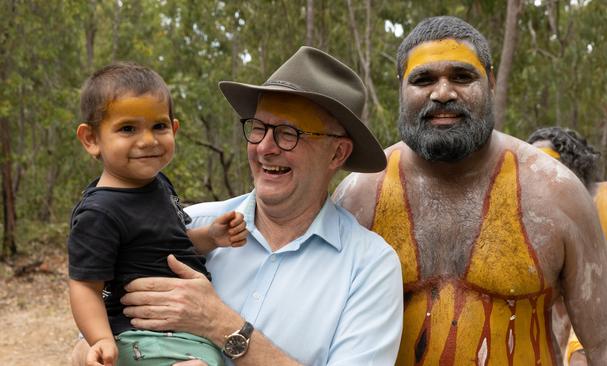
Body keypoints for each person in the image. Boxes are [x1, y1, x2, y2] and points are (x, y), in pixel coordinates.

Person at [333, 16, 607, 365]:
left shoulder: (556, 194)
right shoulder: (359, 196)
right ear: (401, 87)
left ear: (491, 83)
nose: (443, 93)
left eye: (462, 77)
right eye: (423, 79)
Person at [72, 47, 403, 366]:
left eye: (289, 133)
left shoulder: (369, 267)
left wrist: (221, 324)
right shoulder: (191, 224)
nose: (265, 147)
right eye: (258, 128)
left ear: (338, 154)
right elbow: (90, 341)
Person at [69, 62, 248, 366]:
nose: (148, 140)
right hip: (139, 336)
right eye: (128, 128)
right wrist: (99, 340)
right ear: (92, 139)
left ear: (174, 129)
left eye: (159, 126)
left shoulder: (159, 184)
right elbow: (85, 285)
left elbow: (171, 243)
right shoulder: (99, 212)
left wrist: (210, 237)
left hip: (191, 335)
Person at [529, 126, 607, 364]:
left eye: (548, 161)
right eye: (532, 165)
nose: (540, 172)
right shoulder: (549, 227)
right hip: (589, 346)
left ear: (572, 159)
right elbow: (560, 311)